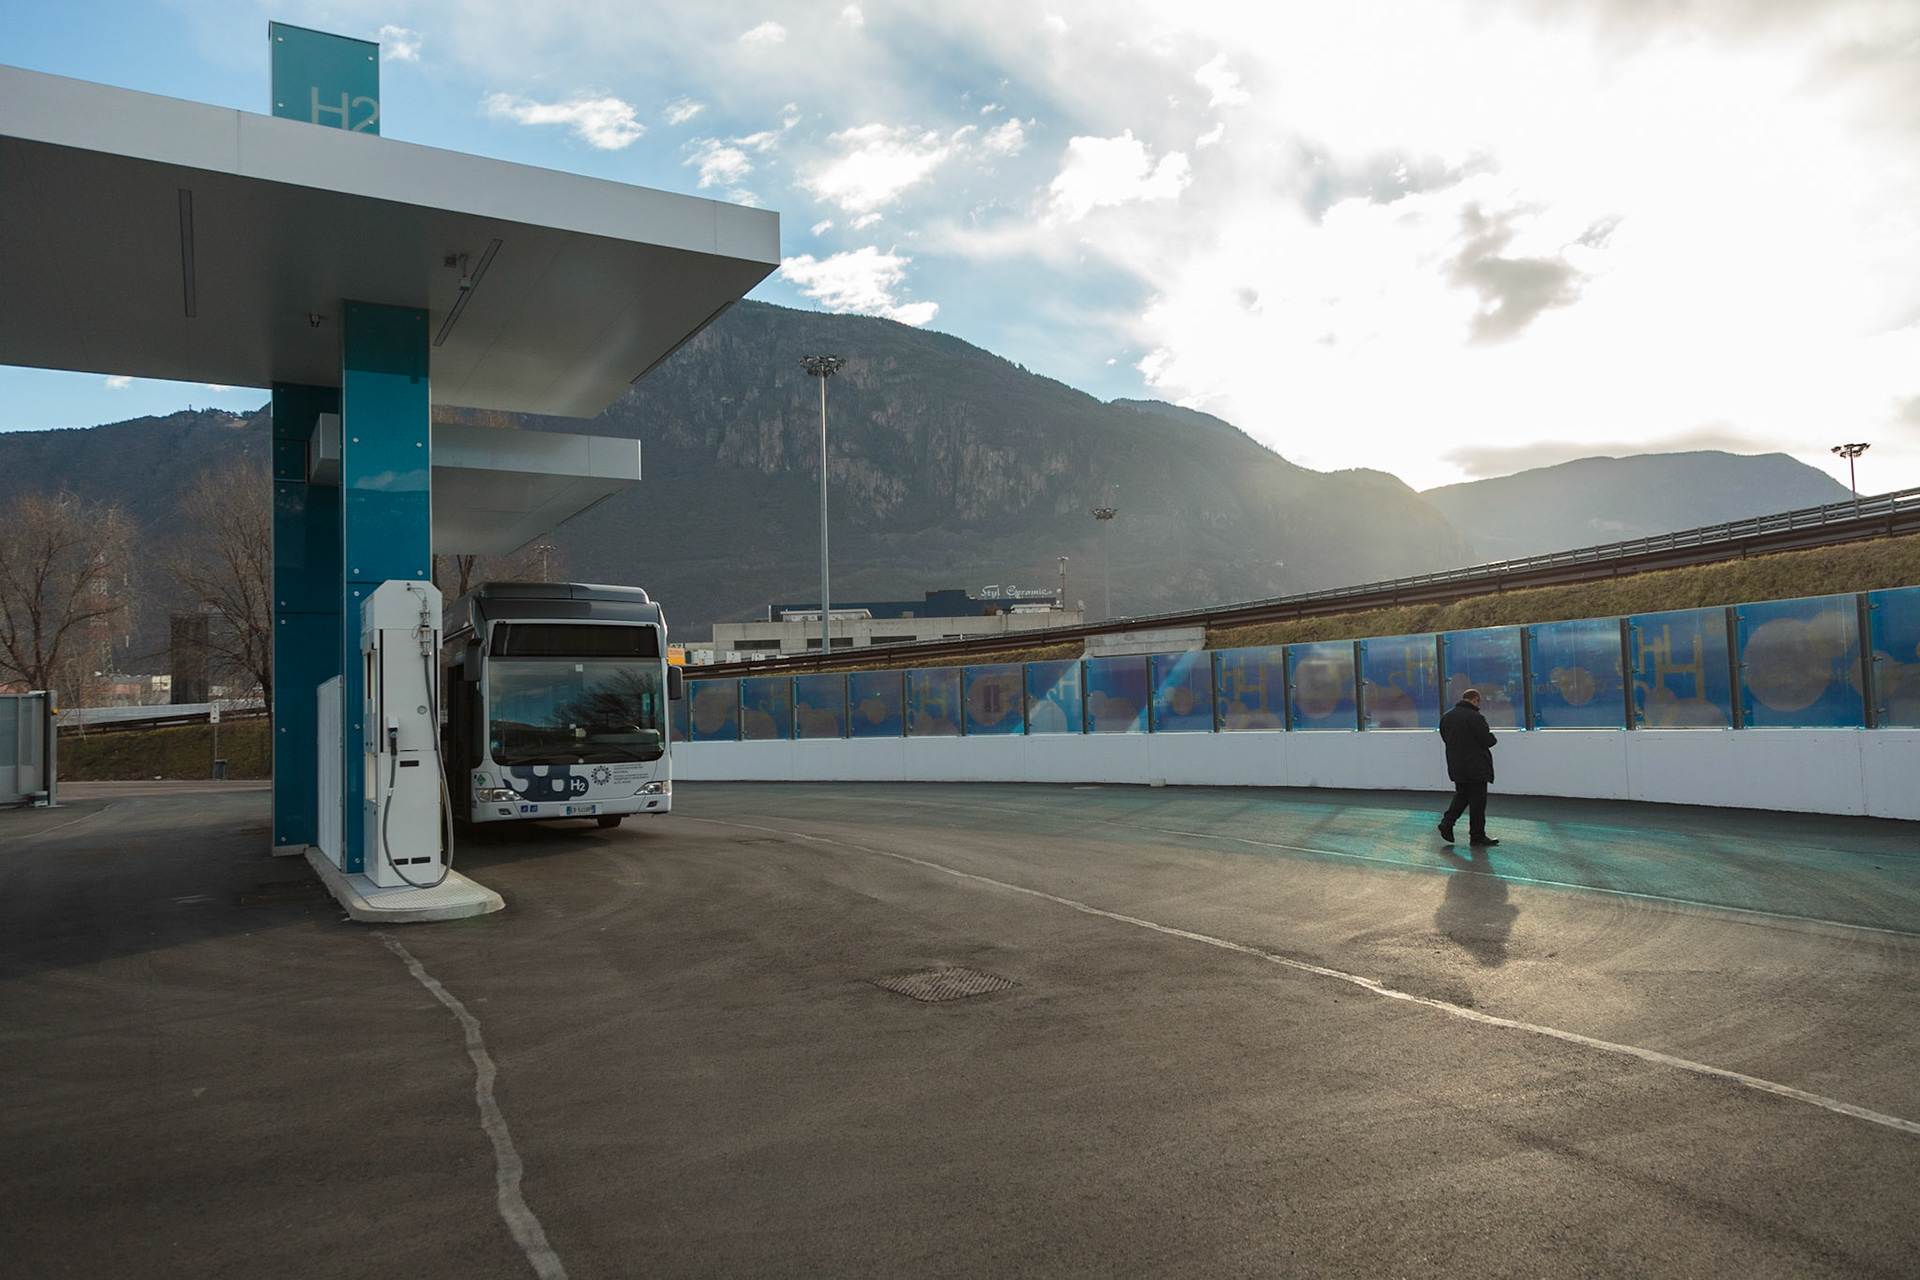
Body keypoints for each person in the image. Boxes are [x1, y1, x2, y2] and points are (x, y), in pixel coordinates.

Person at [1438, 688, 1499, 846]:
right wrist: (1492, 737)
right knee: (1478, 803)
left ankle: (1447, 822)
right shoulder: (1475, 717)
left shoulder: (1447, 717)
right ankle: (1477, 835)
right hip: (1476, 766)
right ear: (1475, 700)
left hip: (1456, 765)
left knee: (1462, 795)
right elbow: (1487, 740)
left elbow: (1445, 738)